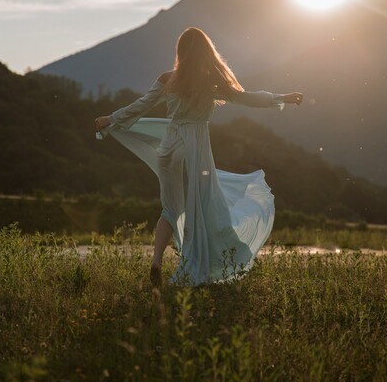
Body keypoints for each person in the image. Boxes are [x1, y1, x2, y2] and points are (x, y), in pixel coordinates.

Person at [95, 27, 303, 287]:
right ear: (206, 53)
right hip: (194, 149)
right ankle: (207, 262)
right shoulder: (210, 82)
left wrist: (110, 119)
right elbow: (245, 98)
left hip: (169, 147)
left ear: (180, 51)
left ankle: (157, 260)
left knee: (170, 209)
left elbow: (140, 106)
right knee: (203, 207)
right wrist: (281, 98)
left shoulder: (166, 79)